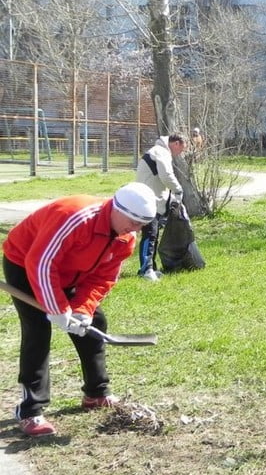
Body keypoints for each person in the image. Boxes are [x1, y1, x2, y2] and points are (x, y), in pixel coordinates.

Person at [2, 183, 157, 436]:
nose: (135, 230)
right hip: (25, 263)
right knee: (38, 330)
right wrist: (57, 309)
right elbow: (41, 263)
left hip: (69, 272)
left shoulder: (124, 238)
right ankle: (30, 410)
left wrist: (82, 310)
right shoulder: (76, 217)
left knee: (94, 323)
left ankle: (96, 393)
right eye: (132, 221)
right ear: (115, 209)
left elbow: (102, 279)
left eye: (141, 225)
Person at [135, 133, 186, 281]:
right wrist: (178, 189)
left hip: (152, 200)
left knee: (154, 235)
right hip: (148, 200)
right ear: (176, 143)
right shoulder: (161, 151)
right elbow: (166, 175)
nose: (179, 153)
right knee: (150, 235)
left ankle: (151, 267)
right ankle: (145, 270)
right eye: (181, 149)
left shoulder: (159, 151)